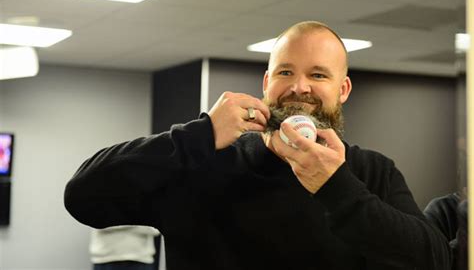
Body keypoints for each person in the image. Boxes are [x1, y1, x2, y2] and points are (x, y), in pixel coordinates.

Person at [64, 21, 452, 270]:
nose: (300, 87)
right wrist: (198, 136)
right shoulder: (200, 163)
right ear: (267, 84)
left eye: (318, 74)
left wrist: (336, 187)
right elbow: (83, 198)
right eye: (286, 72)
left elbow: (434, 258)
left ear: (343, 89)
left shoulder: (372, 171)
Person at [90, 225, 160, 270]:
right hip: (106, 259)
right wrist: (136, 222)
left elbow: (156, 229)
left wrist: (120, 222)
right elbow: (98, 222)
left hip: (141, 260)